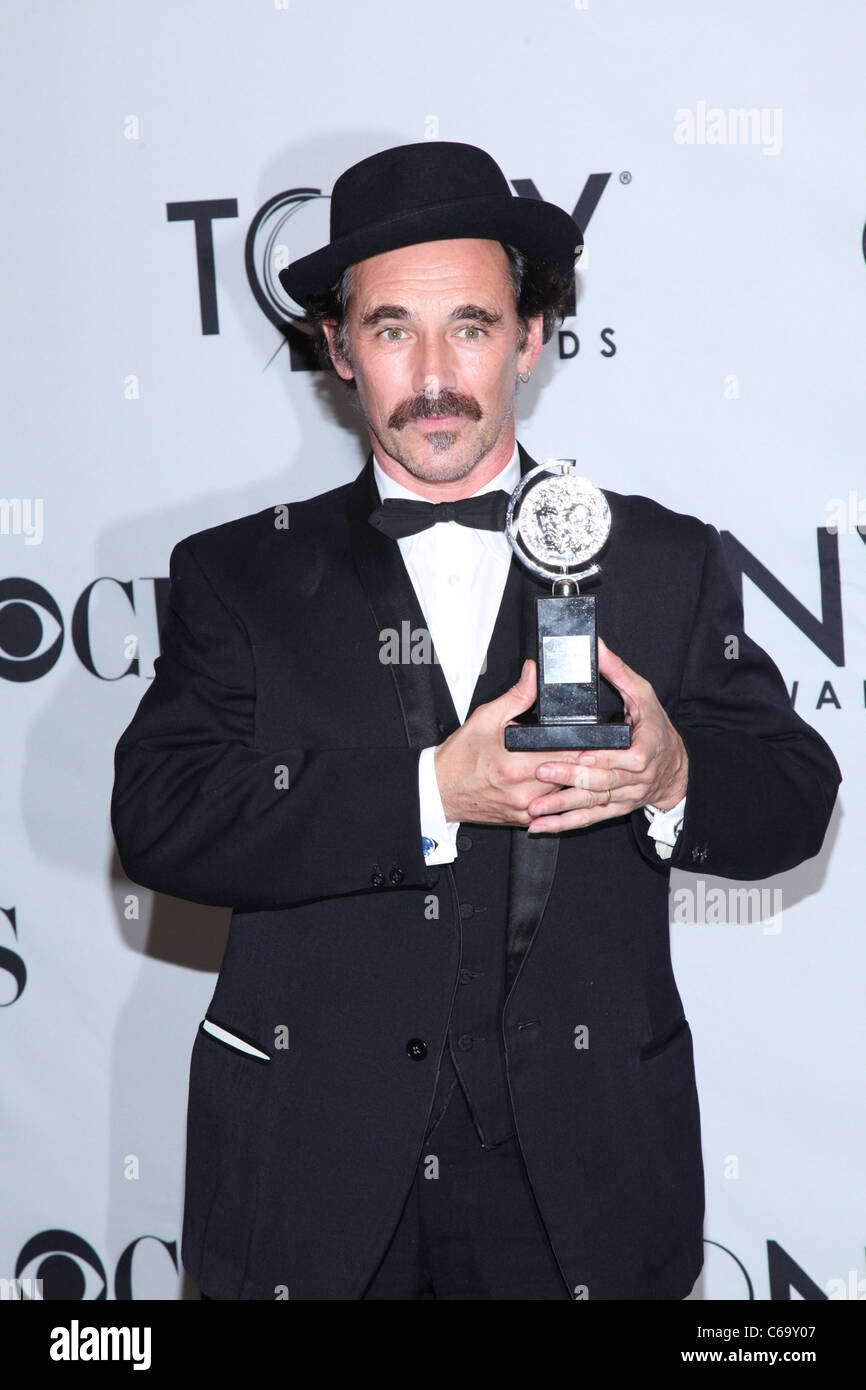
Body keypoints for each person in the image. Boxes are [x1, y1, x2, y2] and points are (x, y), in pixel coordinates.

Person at [111, 141, 841, 1300]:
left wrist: (670, 772)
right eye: (395, 329)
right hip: (309, 1171)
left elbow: (794, 795)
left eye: (472, 326)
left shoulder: (658, 559)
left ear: (530, 338)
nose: (436, 373)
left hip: (583, 1179)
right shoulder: (239, 575)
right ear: (339, 348)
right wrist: (430, 792)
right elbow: (159, 819)